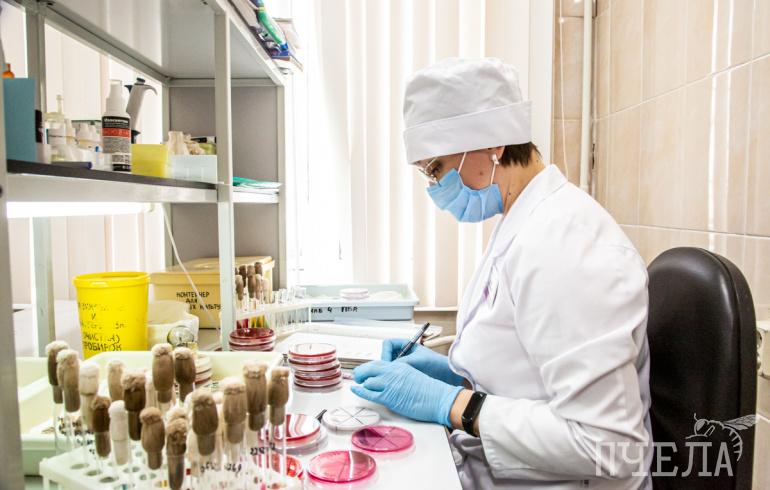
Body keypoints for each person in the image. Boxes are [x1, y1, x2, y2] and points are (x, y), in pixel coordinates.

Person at [351, 58, 652, 489]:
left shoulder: (568, 245)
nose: (434, 187)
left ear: (492, 142)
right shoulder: (521, 221)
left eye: (435, 169)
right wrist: (451, 374)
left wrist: (455, 403)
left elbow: (606, 445)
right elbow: (523, 369)